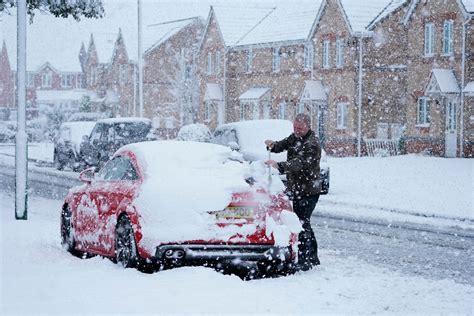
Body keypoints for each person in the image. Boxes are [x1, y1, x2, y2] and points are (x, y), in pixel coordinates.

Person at [264, 113, 321, 271]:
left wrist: (280, 166)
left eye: (300, 128)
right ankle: (313, 257)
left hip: (309, 190)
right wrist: (272, 145)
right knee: (304, 222)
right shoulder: (294, 137)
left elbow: (300, 163)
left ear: (308, 127)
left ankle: (305, 260)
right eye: (295, 127)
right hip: (297, 188)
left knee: (302, 223)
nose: (297, 130)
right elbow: (282, 145)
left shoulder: (312, 143)